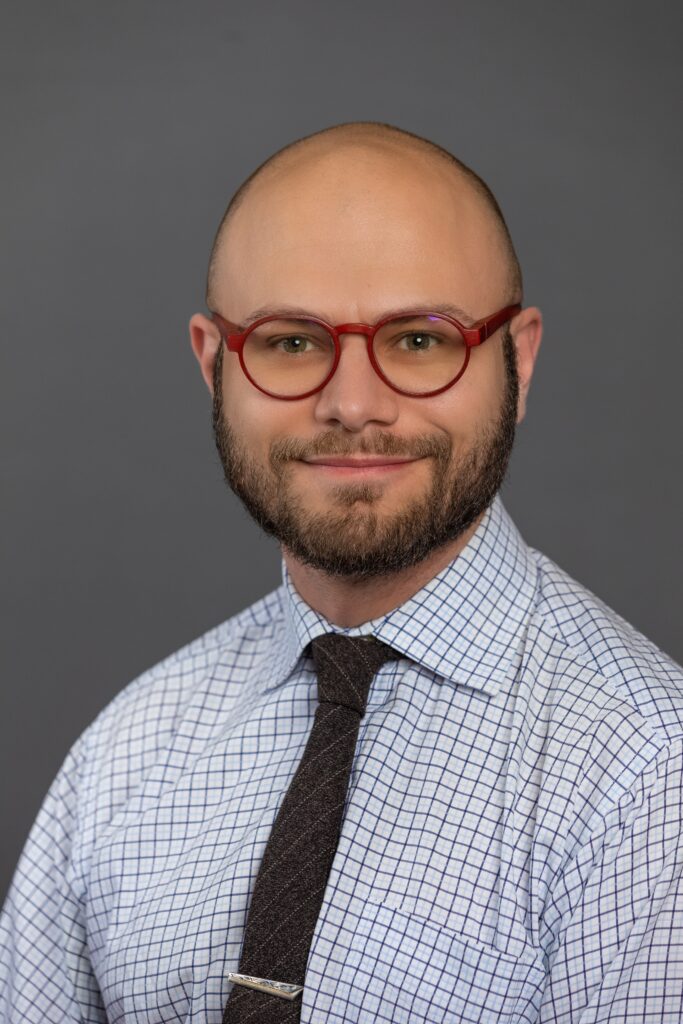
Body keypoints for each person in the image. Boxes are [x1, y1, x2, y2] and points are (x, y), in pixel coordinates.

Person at [1, 121, 681, 1024]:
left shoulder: (646, 777)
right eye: (289, 342)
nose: (352, 404)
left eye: (418, 340)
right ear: (214, 364)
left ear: (516, 358)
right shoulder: (126, 756)